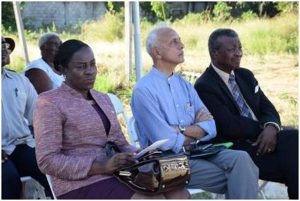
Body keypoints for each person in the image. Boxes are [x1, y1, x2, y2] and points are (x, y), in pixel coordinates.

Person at [33, 39, 190, 199]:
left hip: (118, 174)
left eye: (92, 64)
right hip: (79, 184)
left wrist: (140, 154)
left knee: (179, 192)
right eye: (81, 67)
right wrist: (101, 167)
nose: (90, 71)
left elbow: (119, 142)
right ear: (61, 69)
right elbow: (47, 160)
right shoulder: (49, 102)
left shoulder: (103, 99)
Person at [131, 25, 259, 199]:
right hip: (166, 162)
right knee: (242, 176)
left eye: (180, 40)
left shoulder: (184, 85)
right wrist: (195, 129)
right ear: (157, 52)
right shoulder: (144, 90)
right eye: (174, 42)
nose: (181, 45)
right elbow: (165, 141)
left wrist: (180, 129)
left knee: (241, 159)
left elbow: (211, 126)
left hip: (198, 151)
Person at [194, 28, 298, 199]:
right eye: (232, 49)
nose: (239, 53)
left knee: (295, 145)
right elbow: (229, 125)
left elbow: (267, 107)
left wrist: (271, 127)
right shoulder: (205, 85)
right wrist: (265, 131)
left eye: (240, 48)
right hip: (237, 148)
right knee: (294, 156)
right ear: (214, 53)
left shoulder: (245, 75)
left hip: (265, 141)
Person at [1, 36, 52, 199]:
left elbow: (37, 117)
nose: (4, 48)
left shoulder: (20, 80)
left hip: (21, 144)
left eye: (5, 44)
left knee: (53, 169)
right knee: (8, 182)